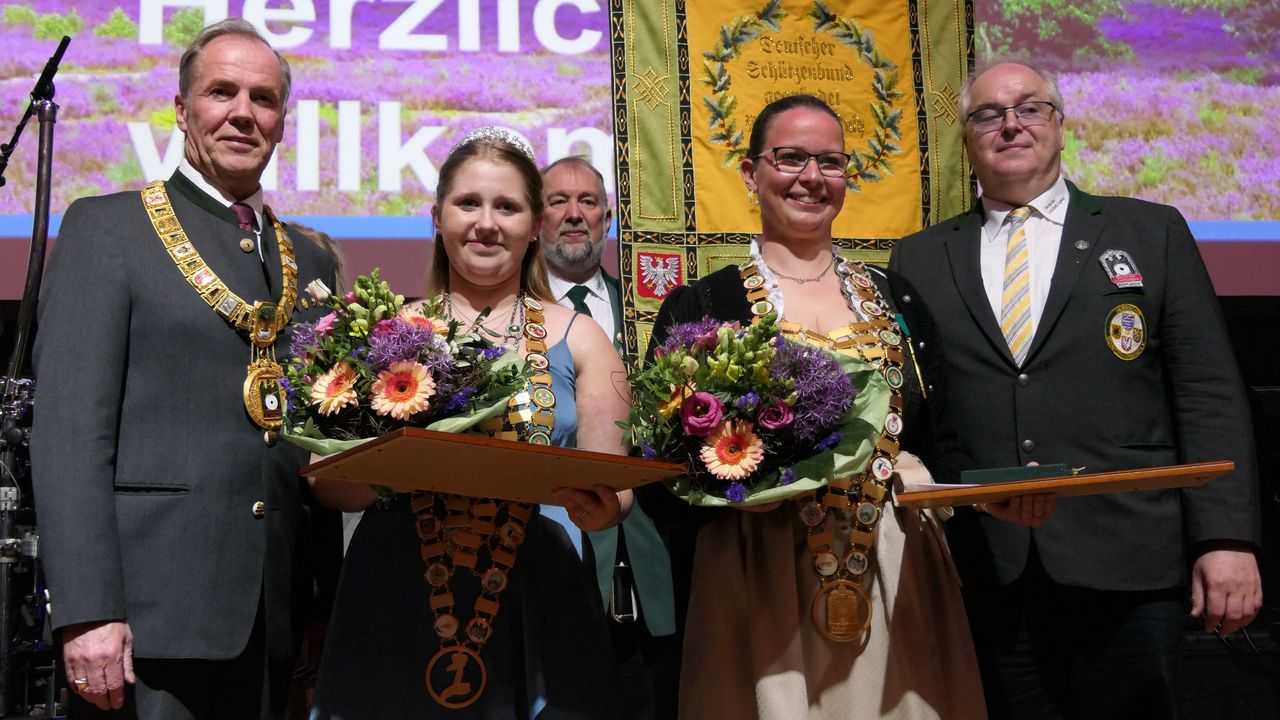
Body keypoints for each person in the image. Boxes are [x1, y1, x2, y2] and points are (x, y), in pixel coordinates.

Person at [889, 61, 1263, 719]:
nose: (1010, 124)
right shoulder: (919, 257)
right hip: (984, 568)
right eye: (988, 114)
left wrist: (1226, 540)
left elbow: (1207, 392)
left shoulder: (1152, 232)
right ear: (967, 138)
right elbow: (919, 413)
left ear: (1060, 125)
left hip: (1129, 564)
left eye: (1029, 108)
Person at [644, 94, 988, 719]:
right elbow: (661, 469)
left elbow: (945, 437)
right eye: (790, 158)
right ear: (751, 174)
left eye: (830, 162)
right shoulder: (700, 307)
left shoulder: (896, 298)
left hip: (892, 564)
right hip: (756, 572)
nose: (811, 177)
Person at [30, 19, 337, 719]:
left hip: (276, 621)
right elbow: (71, 436)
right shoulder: (108, 230)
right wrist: (87, 610)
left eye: (262, 99)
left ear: (282, 121)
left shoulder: (309, 260)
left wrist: (323, 600)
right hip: (146, 623)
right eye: (220, 92)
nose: (242, 113)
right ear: (181, 108)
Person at [309, 128, 631, 718]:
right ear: (436, 217)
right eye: (468, 204)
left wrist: (606, 506)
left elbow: (615, 484)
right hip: (394, 586)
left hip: (535, 585)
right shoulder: (385, 330)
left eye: (507, 207)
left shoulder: (581, 337)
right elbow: (327, 484)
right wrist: (395, 470)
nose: (487, 223)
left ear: (534, 224)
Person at [538, 155, 679, 720]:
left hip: (655, 559)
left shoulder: (654, 311)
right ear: (536, 220)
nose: (575, 215)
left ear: (609, 219)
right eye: (557, 202)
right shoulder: (513, 314)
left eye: (588, 202)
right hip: (551, 556)